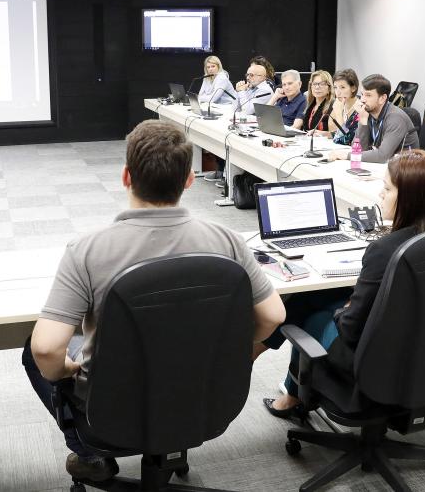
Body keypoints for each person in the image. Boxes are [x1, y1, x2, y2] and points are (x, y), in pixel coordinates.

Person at [25, 120, 286, 482]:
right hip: (205, 398)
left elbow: (45, 349)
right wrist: (231, 352)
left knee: (30, 350)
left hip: (113, 413)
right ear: (190, 180)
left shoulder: (86, 250)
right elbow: (274, 315)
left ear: (125, 177)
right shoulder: (228, 241)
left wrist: (66, 372)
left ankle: (88, 452)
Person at [261, 150, 425, 417]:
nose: (380, 194)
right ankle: (291, 391)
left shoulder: (385, 251)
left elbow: (349, 329)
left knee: (310, 315)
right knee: (320, 298)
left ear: (407, 197)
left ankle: (295, 395)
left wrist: (346, 308)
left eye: (387, 188)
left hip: (371, 361)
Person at [327, 74, 419, 163]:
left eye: (368, 95)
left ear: (382, 98)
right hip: (384, 167)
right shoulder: (368, 112)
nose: (362, 99)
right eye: (362, 94)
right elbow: (359, 150)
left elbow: (382, 156)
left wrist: (347, 156)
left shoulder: (395, 118)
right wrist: (362, 121)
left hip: (405, 171)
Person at [327, 68, 361, 145]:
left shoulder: (360, 108)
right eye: (335, 87)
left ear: (353, 88)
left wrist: (339, 114)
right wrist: (325, 134)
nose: (338, 92)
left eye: (342, 87)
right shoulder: (341, 104)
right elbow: (344, 131)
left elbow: (347, 139)